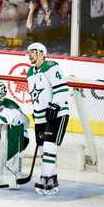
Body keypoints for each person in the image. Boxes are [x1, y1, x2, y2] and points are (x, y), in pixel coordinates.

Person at [26, 42, 69, 195]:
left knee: (50, 148)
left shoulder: (51, 66)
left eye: (33, 52)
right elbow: (36, 97)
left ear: (42, 53)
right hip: (41, 117)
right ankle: (52, 178)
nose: (30, 55)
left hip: (57, 113)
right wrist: (36, 114)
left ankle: (44, 178)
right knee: (44, 150)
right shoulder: (30, 73)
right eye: (28, 52)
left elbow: (62, 89)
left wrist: (55, 105)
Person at [0, 81, 30, 179]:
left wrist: (13, 120)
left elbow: (25, 123)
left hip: (17, 137)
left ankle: (11, 171)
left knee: (4, 142)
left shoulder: (9, 106)